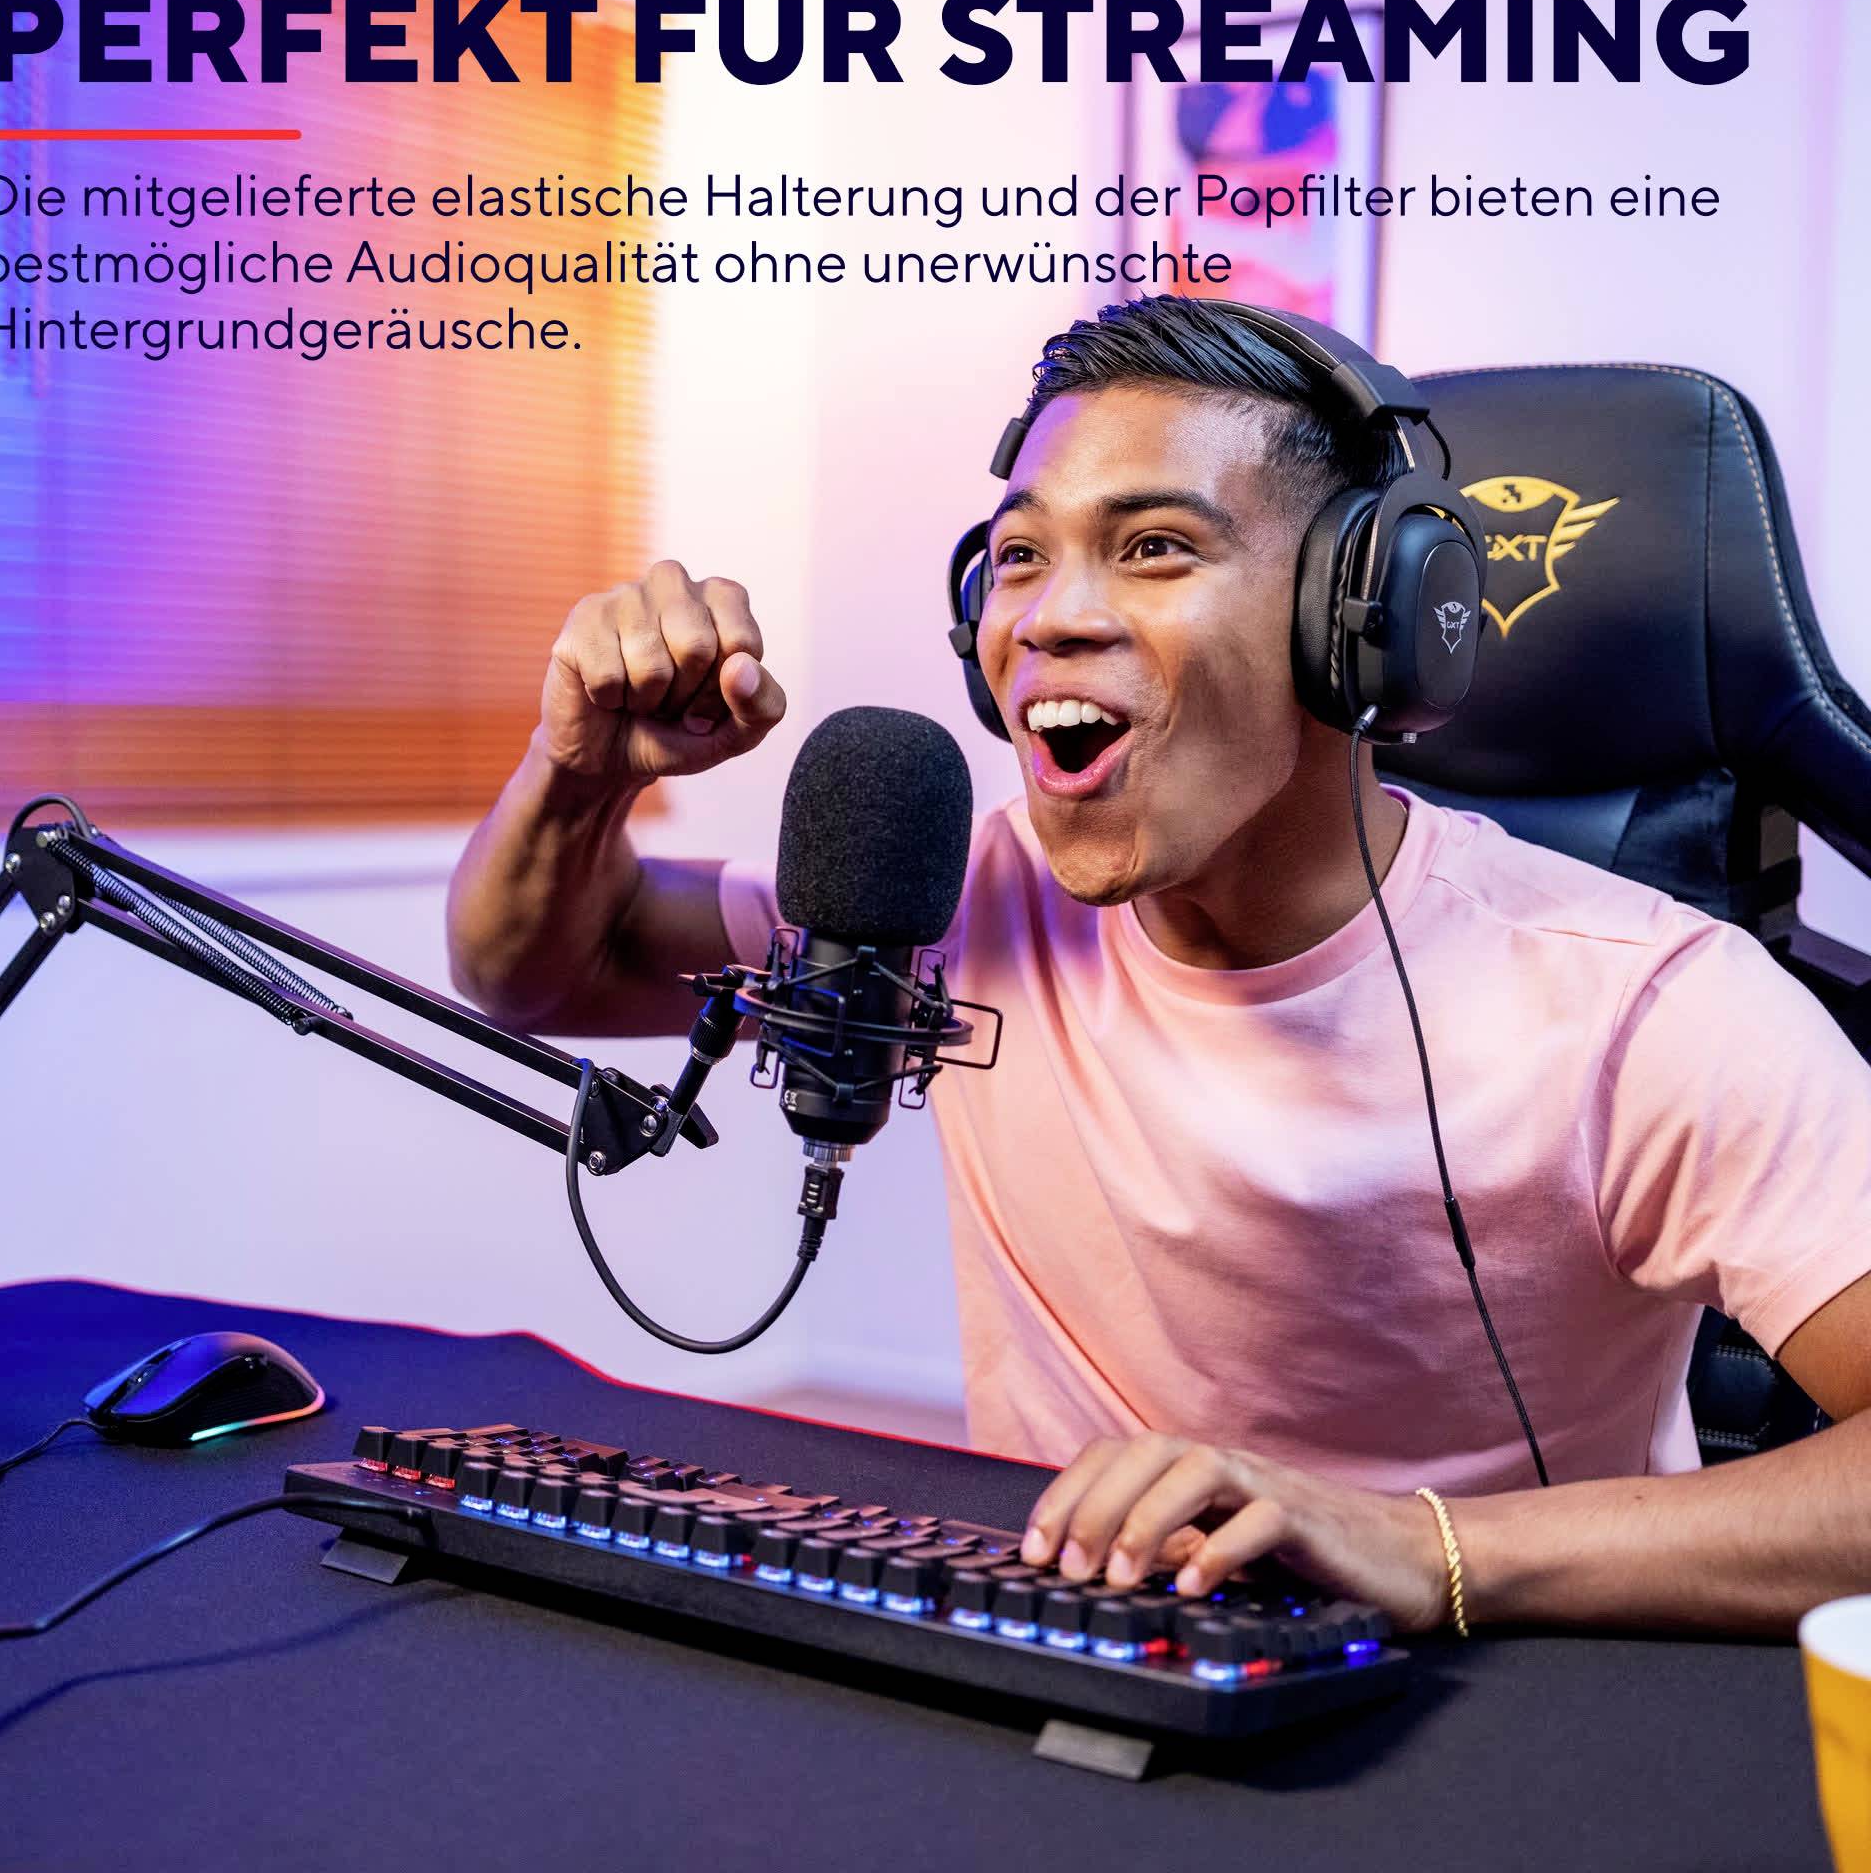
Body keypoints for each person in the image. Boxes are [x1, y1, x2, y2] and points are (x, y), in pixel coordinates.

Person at [448, 295, 1871, 1639]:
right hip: (1056, 1642)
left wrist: (1428, 1544)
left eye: (1155, 548)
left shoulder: (1642, 999)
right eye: (1019, 556)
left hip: (1473, 1695)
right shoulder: (964, 892)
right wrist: (575, 780)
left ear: (1354, 621)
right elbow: (550, 972)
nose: (1051, 617)